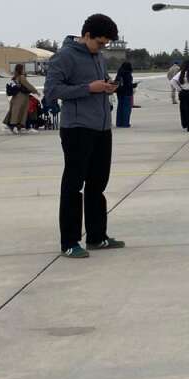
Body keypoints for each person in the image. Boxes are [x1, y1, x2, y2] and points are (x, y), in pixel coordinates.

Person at [44, 13, 124, 258]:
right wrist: (89, 88)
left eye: (106, 44)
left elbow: (95, 84)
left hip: (101, 128)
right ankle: (69, 241)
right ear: (86, 35)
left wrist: (106, 86)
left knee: (98, 184)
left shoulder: (97, 56)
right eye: (100, 42)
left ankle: (97, 236)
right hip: (77, 128)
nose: (103, 48)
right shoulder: (65, 57)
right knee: (73, 185)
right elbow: (52, 91)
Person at [6, 63, 39, 134]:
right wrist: (36, 91)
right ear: (21, 69)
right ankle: (18, 127)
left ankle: (15, 126)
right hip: (22, 97)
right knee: (22, 112)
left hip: (15, 97)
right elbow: (28, 85)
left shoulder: (14, 77)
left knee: (15, 112)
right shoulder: (21, 77)